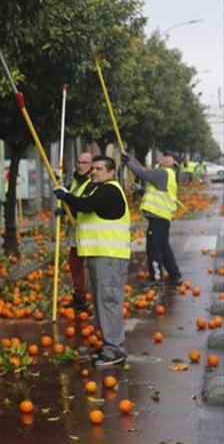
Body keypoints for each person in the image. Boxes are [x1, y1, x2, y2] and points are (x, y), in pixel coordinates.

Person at [54, 156, 130, 367]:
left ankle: (115, 349)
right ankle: (109, 345)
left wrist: (66, 196)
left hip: (110, 256)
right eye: (93, 168)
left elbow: (86, 205)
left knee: (108, 302)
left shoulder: (110, 190)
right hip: (98, 255)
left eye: (98, 168)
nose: (93, 172)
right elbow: (81, 206)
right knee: (100, 303)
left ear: (111, 172)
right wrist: (67, 200)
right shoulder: (95, 188)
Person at [122, 151, 182, 286]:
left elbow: (142, 172)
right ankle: (175, 275)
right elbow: (157, 192)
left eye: (168, 157)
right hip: (162, 217)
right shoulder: (168, 175)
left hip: (158, 217)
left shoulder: (163, 173)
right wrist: (140, 190)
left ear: (174, 162)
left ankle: (156, 278)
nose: (164, 158)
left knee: (154, 248)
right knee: (164, 247)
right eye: (164, 155)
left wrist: (128, 162)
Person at [57, 152, 94, 312]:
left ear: (91, 165)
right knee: (75, 265)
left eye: (85, 162)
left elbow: (84, 203)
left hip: (89, 231)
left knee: (92, 266)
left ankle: (93, 297)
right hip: (76, 230)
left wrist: (68, 204)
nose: (81, 165)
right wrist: (63, 210)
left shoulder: (92, 183)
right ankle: (80, 297)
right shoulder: (75, 182)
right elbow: (72, 199)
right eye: (79, 162)